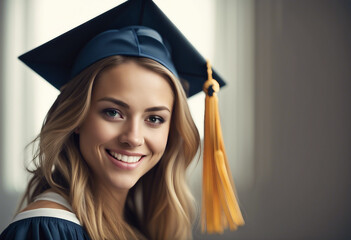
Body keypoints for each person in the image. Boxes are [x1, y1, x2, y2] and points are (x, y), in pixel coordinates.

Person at [1, 0, 242, 239]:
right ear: (77, 117)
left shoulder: (136, 224)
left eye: (155, 118)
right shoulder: (48, 229)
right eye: (113, 112)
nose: (133, 138)